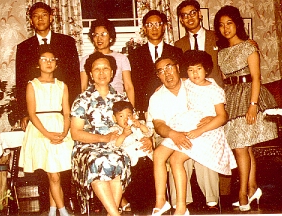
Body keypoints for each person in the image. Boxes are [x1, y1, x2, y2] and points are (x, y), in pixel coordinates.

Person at [148, 52, 237, 215]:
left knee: (177, 158)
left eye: (169, 68)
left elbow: (219, 111)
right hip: (175, 132)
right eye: (161, 71)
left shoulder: (192, 83)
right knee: (159, 154)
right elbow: (159, 125)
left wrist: (211, 117)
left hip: (200, 130)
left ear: (177, 68)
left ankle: (197, 204)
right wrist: (174, 134)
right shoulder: (158, 96)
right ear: (158, 76)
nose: (167, 73)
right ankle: (161, 201)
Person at [15, 2, 80, 208]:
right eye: (36, 16)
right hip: (39, 111)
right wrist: (24, 113)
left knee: (63, 159)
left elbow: (74, 80)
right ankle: (48, 206)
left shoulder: (67, 42)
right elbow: (20, 81)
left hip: (62, 110)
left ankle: (67, 202)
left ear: (52, 17)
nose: (40, 19)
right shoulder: (24, 47)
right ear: (31, 20)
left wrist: (74, 114)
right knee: (44, 160)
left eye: (44, 15)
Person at [214, 5, 278, 211]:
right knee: (244, 146)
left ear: (237, 24)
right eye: (221, 25)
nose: (225, 29)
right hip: (232, 99)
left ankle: (242, 193)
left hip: (249, 97)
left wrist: (253, 105)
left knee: (241, 147)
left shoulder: (250, 47)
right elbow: (225, 81)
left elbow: (257, 78)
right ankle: (252, 189)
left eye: (229, 23)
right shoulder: (221, 52)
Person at [70, 52, 131, 216]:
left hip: (114, 146)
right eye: (97, 69)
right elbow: (76, 133)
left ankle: (111, 213)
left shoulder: (120, 99)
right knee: (98, 160)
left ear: (112, 73)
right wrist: (103, 138)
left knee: (120, 158)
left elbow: (129, 124)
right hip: (86, 148)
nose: (102, 73)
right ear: (90, 74)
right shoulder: (82, 99)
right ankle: (115, 214)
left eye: (106, 69)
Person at [18, 45, 74, 216]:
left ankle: (51, 211)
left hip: (59, 128)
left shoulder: (62, 85)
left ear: (56, 64)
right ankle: (63, 211)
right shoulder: (32, 85)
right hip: (40, 130)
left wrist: (64, 132)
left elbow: (66, 112)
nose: (48, 62)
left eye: (52, 60)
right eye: (44, 59)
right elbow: (32, 114)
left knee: (54, 171)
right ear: (38, 64)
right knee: (53, 175)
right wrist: (47, 134)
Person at [128, 10, 184, 120]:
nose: (154, 28)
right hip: (145, 109)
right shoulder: (134, 54)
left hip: (172, 107)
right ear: (144, 29)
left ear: (164, 27)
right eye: (149, 25)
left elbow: (182, 79)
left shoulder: (176, 52)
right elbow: (134, 85)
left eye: (158, 24)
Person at [106, 100, 154, 213]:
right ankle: (138, 210)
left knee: (151, 186)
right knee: (136, 188)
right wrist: (123, 135)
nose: (126, 118)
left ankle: (151, 208)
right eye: (121, 116)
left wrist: (140, 125)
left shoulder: (138, 124)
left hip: (147, 159)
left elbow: (149, 132)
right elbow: (114, 146)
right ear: (114, 118)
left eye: (129, 115)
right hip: (132, 163)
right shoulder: (115, 130)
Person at [80, 18, 135, 106]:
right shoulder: (86, 59)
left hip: (118, 104)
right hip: (95, 104)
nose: (99, 38)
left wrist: (131, 110)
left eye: (103, 34)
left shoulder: (121, 58)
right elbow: (83, 87)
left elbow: (129, 87)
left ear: (111, 37)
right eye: (96, 35)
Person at [174, 0, 224, 87]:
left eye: (193, 13)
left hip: (217, 89)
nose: (189, 17)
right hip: (192, 93)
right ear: (181, 20)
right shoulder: (178, 45)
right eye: (185, 15)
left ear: (199, 14)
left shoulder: (217, 37)